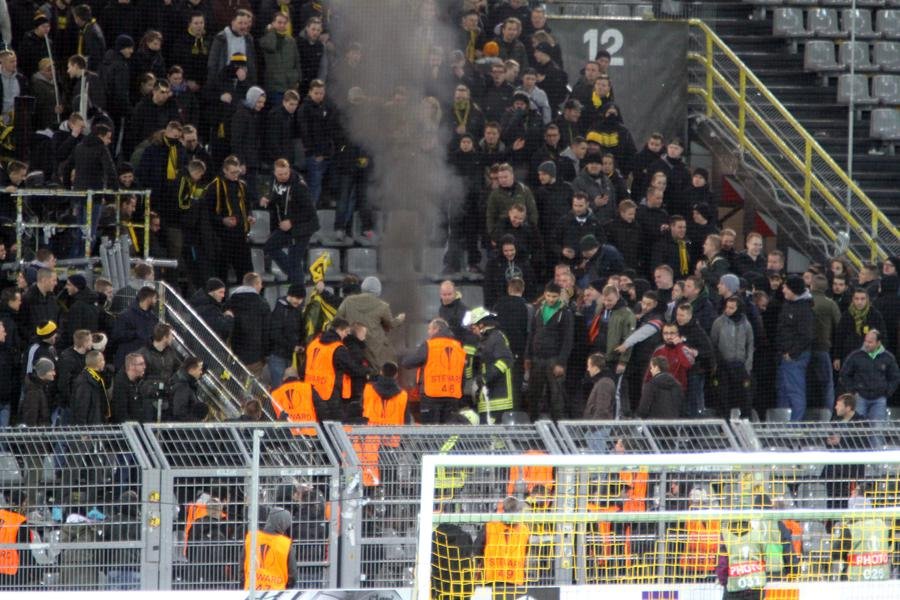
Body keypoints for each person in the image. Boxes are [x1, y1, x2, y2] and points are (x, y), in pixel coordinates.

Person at [259, 159, 319, 285]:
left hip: (303, 227)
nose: (283, 176)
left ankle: (298, 286)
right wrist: (267, 198)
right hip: (286, 226)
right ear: (274, 172)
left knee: (294, 261)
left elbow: (310, 212)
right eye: (280, 174)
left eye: (286, 173)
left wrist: (291, 222)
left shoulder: (299, 186)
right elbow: (273, 193)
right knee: (270, 246)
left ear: (289, 170)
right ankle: (296, 278)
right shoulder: (274, 179)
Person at [400, 318, 466, 424]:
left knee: (430, 433)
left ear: (437, 329)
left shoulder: (430, 345)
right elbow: (463, 374)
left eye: (429, 329)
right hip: (452, 396)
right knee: (448, 431)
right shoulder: (458, 347)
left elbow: (410, 362)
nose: (428, 332)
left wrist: (404, 359)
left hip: (432, 395)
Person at [304, 318, 370, 421]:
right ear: (340, 330)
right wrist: (367, 370)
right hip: (329, 392)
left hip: (310, 388)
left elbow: (303, 367)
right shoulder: (337, 348)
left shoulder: (314, 343)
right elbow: (352, 369)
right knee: (334, 424)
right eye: (346, 332)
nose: (347, 335)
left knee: (317, 421)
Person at [524, 282, 573, 421]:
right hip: (537, 359)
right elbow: (531, 333)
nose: (551, 299)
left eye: (554, 296)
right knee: (534, 394)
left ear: (559, 296)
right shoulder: (538, 310)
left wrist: (561, 363)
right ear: (544, 295)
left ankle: (559, 429)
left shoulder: (565, 313)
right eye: (549, 296)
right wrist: (527, 356)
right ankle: (533, 426)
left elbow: (567, 340)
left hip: (554, 359)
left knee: (556, 396)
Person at [335, 276, 406, 369]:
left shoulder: (348, 301)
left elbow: (337, 320)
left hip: (352, 346)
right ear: (378, 291)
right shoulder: (383, 306)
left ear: (363, 287)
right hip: (374, 349)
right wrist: (400, 319)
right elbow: (391, 324)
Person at [206, 155, 255, 282]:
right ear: (225, 170)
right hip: (222, 239)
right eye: (232, 172)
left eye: (237, 172)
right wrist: (222, 220)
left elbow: (248, 206)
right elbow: (206, 214)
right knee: (221, 275)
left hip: (241, 237)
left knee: (247, 273)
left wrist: (249, 216)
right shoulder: (214, 187)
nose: (235, 175)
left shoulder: (242, 185)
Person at [465, 307, 515, 423]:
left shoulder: (496, 337)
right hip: (487, 400)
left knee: (495, 439)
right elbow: (470, 372)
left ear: (481, 325)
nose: (472, 331)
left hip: (499, 400)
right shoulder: (483, 341)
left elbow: (506, 360)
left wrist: (483, 379)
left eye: (473, 327)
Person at [776, 275, 815, 421]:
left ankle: (795, 428)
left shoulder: (804, 308)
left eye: (786, 286)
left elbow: (807, 336)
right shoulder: (788, 304)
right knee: (784, 391)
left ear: (793, 289)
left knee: (795, 392)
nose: (783, 289)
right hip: (784, 357)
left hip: (795, 358)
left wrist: (792, 353)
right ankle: (783, 428)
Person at [839, 330, 900, 423]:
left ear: (878, 343)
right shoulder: (855, 356)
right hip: (860, 398)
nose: (866, 344)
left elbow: (895, 377)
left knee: (877, 432)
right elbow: (844, 374)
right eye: (865, 341)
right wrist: (853, 391)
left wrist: (887, 392)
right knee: (858, 431)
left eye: (870, 342)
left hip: (879, 399)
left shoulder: (888, 357)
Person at [710, 296, 754, 418]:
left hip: (740, 367)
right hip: (723, 367)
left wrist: (748, 366)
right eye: (727, 307)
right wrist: (716, 365)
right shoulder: (718, 323)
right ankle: (723, 429)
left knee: (745, 399)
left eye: (732, 308)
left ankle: (745, 427)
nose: (728, 310)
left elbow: (750, 345)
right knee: (723, 399)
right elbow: (713, 344)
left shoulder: (746, 325)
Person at [225, 272, 271, 377]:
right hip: (255, 357)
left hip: (234, 355)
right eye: (260, 284)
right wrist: (265, 354)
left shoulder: (230, 301)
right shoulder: (262, 304)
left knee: (235, 386)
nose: (261, 286)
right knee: (252, 387)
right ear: (256, 284)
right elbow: (266, 331)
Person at [478, 496, 530, 588]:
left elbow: (477, 551)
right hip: (514, 580)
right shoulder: (524, 530)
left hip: (493, 579)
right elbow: (526, 553)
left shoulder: (489, 526)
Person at [242, 506, 297, 590]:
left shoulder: (251, 538)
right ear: (284, 524)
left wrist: (245, 584)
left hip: (251, 590)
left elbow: (242, 568)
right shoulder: (285, 544)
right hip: (276, 592)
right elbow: (292, 576)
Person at [834, 287, 887, 369]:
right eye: (857, 299)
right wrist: (837, 357)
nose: (859, 302)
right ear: (853, 299)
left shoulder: (874, 315)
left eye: (862, 299)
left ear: (867, 300)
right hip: (849, 355)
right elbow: (839, 337)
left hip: (869, 357)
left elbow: (882, 336)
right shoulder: (847, 315)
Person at [809, 274, 841, 410]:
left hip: (804, 349)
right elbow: (839, 324)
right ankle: (828, 413)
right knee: (827, 384)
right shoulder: (830, 304)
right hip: (823, 348)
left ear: (811, 285)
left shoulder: (805, 301)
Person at [267, 284, 306, 388]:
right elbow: (275, 334)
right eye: (297, 298)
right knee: (279, 387)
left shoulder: (297, 310)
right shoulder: (279, 310)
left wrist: (301, 344)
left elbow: (300, 331)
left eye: (301, 299)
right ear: (290, 295)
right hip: (278, 356)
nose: (299, 301)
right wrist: (293, 347)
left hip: (290, 356)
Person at [111, 286, 159, 369]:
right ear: (148, 298)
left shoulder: (153, 318)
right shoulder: (126, 315)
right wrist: (136, 333)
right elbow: (116, 335)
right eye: (155, 298)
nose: (156, 301)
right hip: (127, 360)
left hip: (145, 360)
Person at [55, 329, 93, 425]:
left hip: (83, 402)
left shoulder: (88, 355)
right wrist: (71, 401)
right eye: (90, 340)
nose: (92, 343)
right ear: (84, 343)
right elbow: (63, 383)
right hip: (70, 405)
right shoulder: (67, 358)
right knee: (67, 434)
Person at [362, 361, 408, 426]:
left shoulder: (368, 389)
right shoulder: (403, 395)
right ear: (396, 375)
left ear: (381, 372)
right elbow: (406, 419)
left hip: (370, 434)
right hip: (394, 434)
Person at [70, 350, 110, 424]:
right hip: (90, 427)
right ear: (99, 363)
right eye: (103, 360)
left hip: (97, 422)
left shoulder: (96, 377)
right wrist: (83, 430)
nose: (104, 362)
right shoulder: (85, 381)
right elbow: (82, 407)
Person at [189, 278, 234, 343]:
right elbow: (224, 326)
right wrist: (229, 316)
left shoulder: (205, 304)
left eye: (224, 293)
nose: (223, 295)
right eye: (220, 292)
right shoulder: (207, 307)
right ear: (211, 292)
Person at [110, 352, 148, 423]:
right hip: (127, 430)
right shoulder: (120, 384)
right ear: (131, 366)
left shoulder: (138, 382)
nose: (144, 367)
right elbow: (121, 412)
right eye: (141, 364)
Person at [20, 357, 55, 426]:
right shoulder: (33, 391)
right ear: (43, 372)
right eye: (51, 370)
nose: (54, 373)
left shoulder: (41, 387)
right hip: (38, 434)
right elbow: (30, 418)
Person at [171, 356, 208, 421]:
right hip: (183, 428)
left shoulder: (189, 385)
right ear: (191, 370)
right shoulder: (182, 387)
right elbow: (180, 413)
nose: (201, 372)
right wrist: (196, 422)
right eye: (199, 369)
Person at [583, 352, 616, 420]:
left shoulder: (604, 384)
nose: (588, 369)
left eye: (589, 366)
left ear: (595, 368)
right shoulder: (600, 381)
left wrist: (592, 428)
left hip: (598, 428)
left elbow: (602, 410)